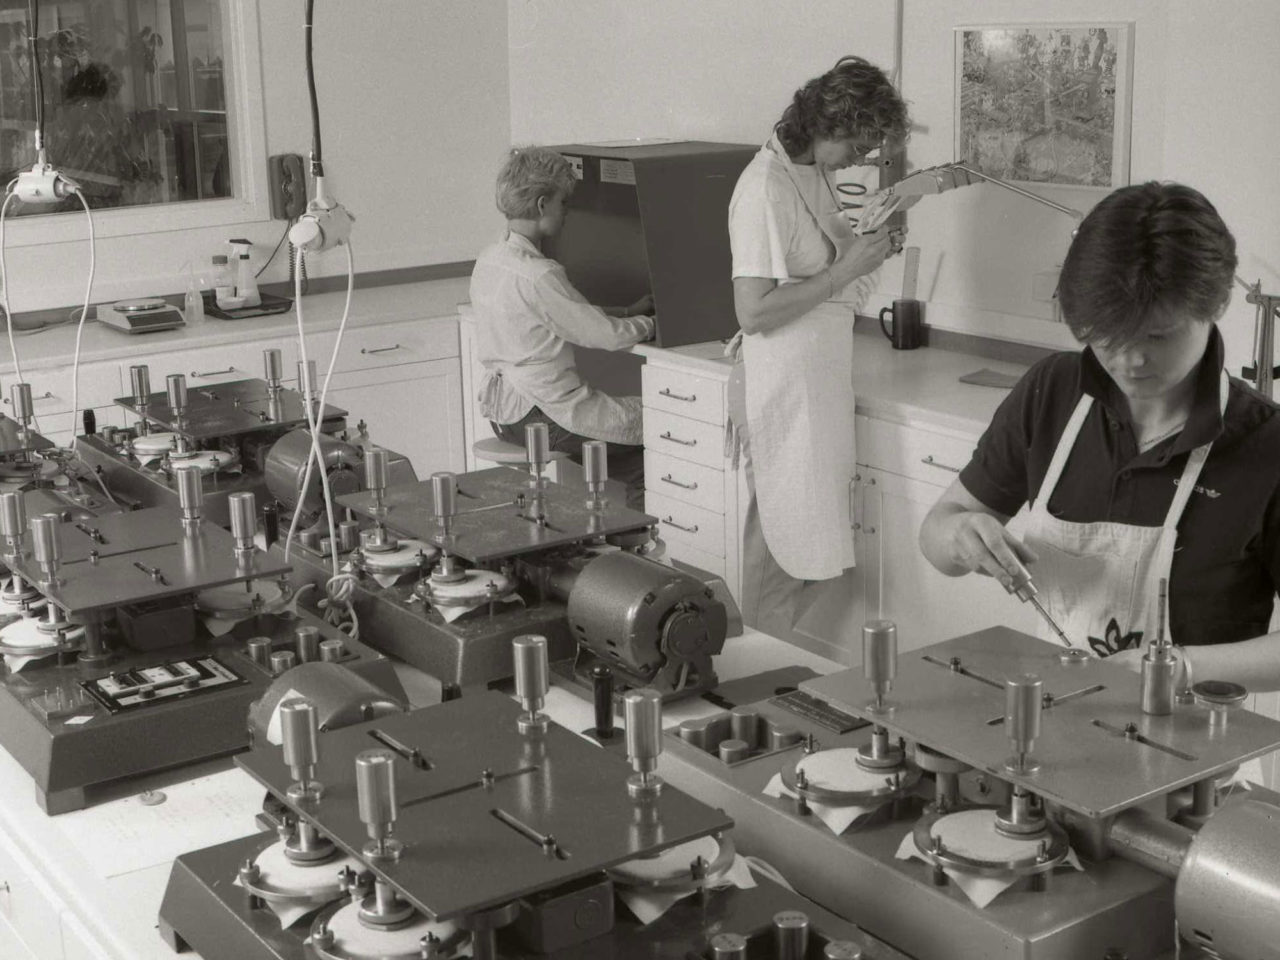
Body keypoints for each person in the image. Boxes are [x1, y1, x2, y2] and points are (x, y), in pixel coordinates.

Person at [919, 182, 1280, 691]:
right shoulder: (1053, 392)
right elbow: (937, 534)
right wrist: (959, 537)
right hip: (1049, 725)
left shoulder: (1267, 444)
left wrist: (1180, 669)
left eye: (1158, 336)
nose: (1130, 361)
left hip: (1198, 750)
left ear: (1216, 306)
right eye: (1107, 335)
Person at [728, 56, 909, 639]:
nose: (860, 161)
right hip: (779, 383)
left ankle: (769, 654)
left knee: (816, 546)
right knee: (780, 542)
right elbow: (753, 312)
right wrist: (845, 269)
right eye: (856, 146)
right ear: (826, 125)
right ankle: (745, 669)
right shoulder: (762, 188)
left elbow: (825, 267)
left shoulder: (812, 171)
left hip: (817, 381)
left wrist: (872, 247)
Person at [470, 146, 655, 509]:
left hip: (505, 414)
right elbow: (604, 335)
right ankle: (639, 558)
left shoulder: (491, 259)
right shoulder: (540, 274)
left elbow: (557, 313)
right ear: (542, 205)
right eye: (563, 203)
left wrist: (623, 310)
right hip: (543, 416)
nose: (566, 213)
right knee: (655, 442)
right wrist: (648, 324)